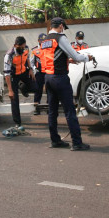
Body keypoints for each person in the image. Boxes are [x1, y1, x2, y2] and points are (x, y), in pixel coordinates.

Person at [41, 17, 94, 151]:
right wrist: (87, 58)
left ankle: (55, 140)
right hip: (59, 78)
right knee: (70, 111)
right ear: (60, 26)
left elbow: (52, 58)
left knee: (52, 112)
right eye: (63, 27)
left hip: (48, 77)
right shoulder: (60, 37)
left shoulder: (45, 40)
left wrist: (67, 61)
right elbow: (76, 56)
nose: (63, 29)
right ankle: (77, 143)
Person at [4, 36, 36, 127]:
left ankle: (22, 86)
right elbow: (7, 74)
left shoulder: (26, 48)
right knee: (14, 99)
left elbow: (28, 58)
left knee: (35, 87)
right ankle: (17, 122)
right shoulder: (9, 55)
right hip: (14, 76)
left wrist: (30, 69)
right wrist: (10, 90)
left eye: (23, 46)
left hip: (24, 72)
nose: (22, 49)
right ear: (15, 45)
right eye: (20, 47)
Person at [30, 33, 47, 115]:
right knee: (38, 90)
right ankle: (37, 108)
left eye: (44, 41)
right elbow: (31, 62)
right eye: (41, 40)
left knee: (49, 90)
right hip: (39, 73)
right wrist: (35, 70)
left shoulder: (49, 49)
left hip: (48, 73)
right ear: (38, 40)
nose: (43, 42)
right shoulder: (34, 50)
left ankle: (49, 107)